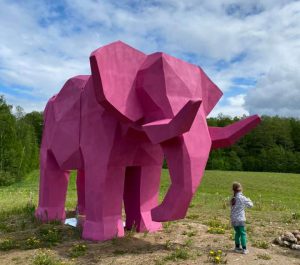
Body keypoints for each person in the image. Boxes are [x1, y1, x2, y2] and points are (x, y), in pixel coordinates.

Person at [230, 182, 253, 254]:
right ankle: (244, 249)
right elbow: (250, 205)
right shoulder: (242, 197)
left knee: (237, 233)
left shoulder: (233, 198)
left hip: (233, 219)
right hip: (240, 219)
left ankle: (237, 247)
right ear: (240, 189)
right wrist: (249, 199)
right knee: (243, 233)